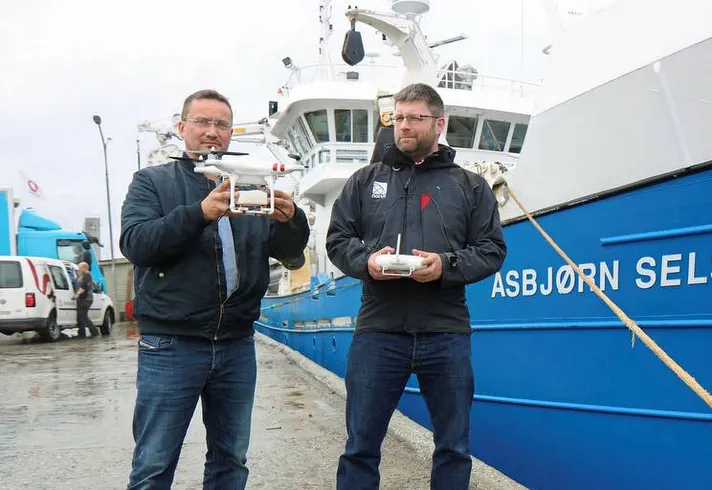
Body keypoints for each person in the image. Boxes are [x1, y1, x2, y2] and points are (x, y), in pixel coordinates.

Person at [119, 89, 310, 490]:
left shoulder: (251, 183)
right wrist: (200, 213)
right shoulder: (151, 182)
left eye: (221, 124)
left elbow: (288, 253)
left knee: (231, 460)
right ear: (182, 127)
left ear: (230, 131)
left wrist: (292, 220)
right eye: (202, 123)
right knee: (154, 462)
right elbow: (136, 243)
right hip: (171, 344)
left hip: (236, 344)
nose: (212, 132)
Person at [326, 82, 507, 489]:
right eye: (398, 118)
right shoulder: (363, 181)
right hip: (378, 330)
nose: (403, 126)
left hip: (445, 331)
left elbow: (492, 249)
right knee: (360, 446)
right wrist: (368, 261)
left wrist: (444, 266)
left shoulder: (471, 187)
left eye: (414, 118)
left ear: (439, 124)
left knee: (454, 447)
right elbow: (338, 240)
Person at [74, 262, 97, 338]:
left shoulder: (87, 275)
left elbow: (83, 287)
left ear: (84, 268)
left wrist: (77, 295)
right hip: (82, 299)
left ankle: (94, 331)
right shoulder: (82, 276)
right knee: (80, 316)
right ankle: (82, 333)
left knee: (83, 316)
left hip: (85, 299)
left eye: (79, 268)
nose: (78, 269)